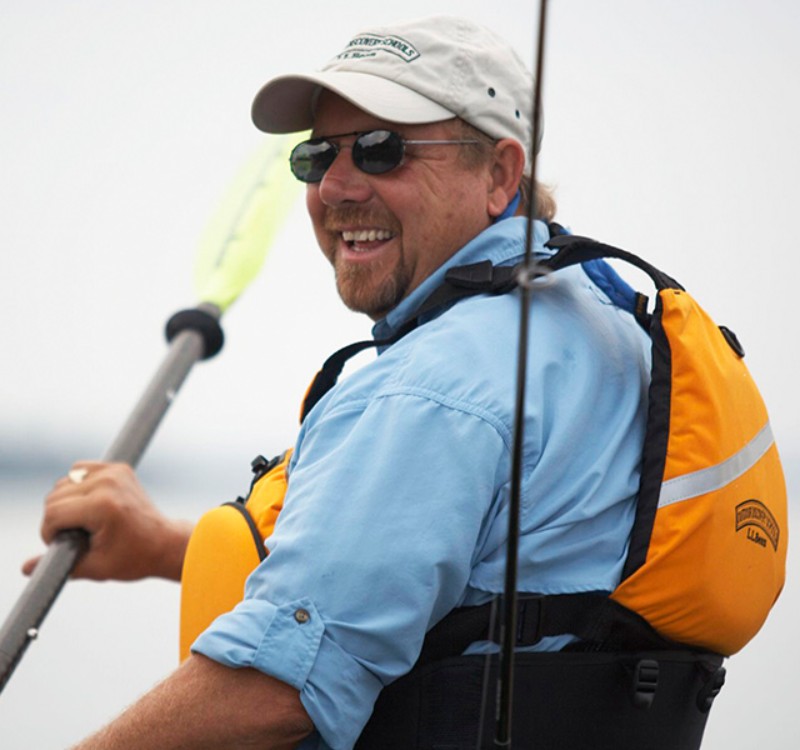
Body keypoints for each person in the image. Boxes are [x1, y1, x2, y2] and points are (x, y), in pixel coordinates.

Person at [23, 15, 650, 750]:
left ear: (500, 174)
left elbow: (277, 688)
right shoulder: (603, 326)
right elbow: (430, 565)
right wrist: (166, 547)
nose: (336, 187)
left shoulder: (437, 386)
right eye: (316, 157)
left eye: (384, 150)